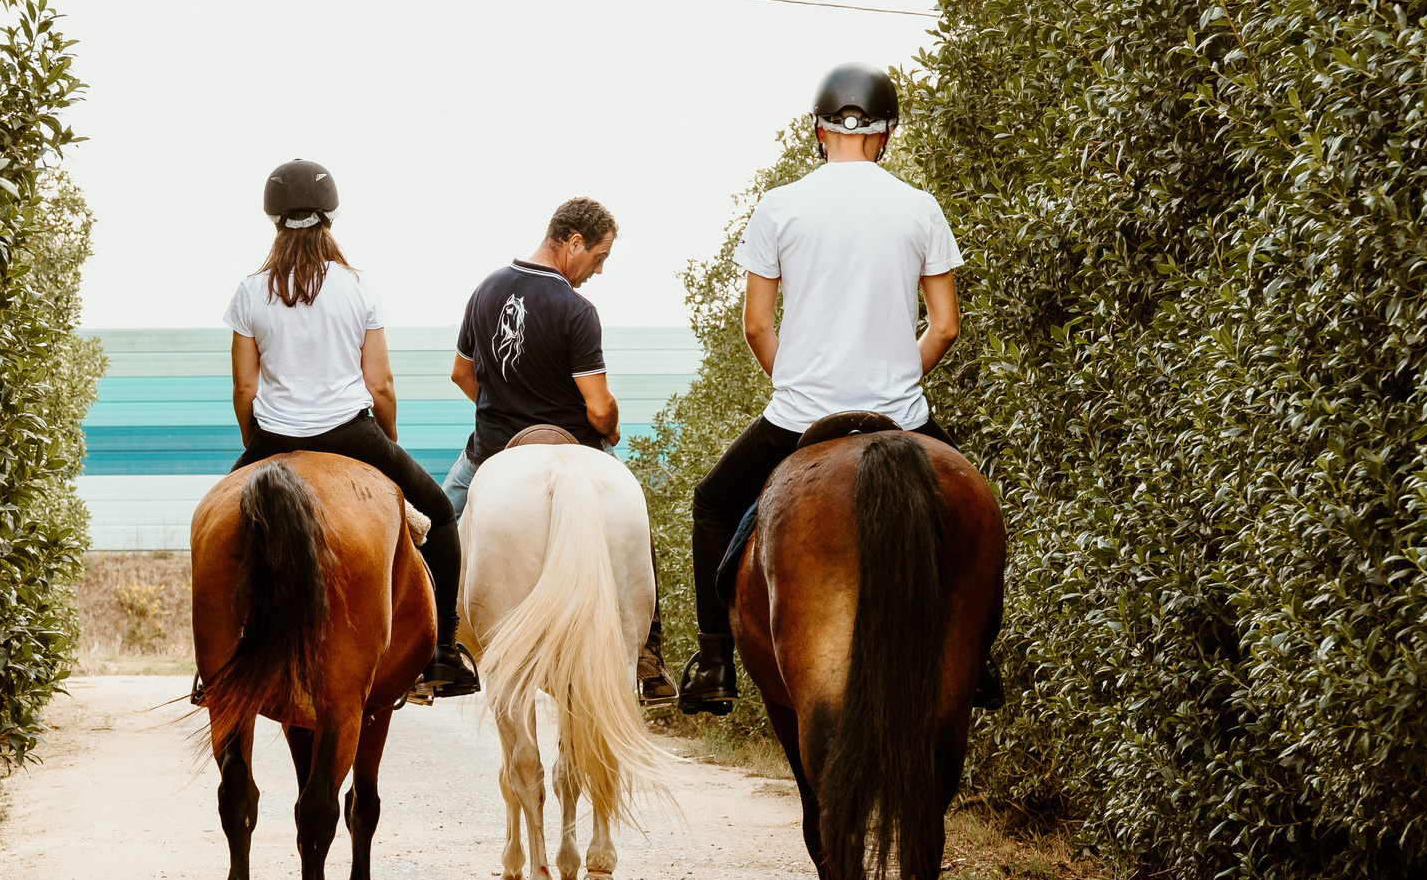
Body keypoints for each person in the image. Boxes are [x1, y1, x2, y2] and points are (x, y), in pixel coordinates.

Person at [678, 64, 1000, 715]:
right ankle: (980, 658)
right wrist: (894, 376)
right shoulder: (920, 207)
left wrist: (800, 379)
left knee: (713, 503)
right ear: (886, 135)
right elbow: (945, 327)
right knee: (979, 510)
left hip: (799, 416)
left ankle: (714, 663)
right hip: (900, 413)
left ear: (820, 131)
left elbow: (756, 324)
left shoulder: (780, 206)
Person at [224, 158, 478, 696]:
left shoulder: (249, 292)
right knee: (439, 514)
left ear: (274, 222)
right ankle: (441, 654)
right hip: (350, 433)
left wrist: (259, 445)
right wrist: (387, 443)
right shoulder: (359, 287)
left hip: (274, 438)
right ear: (329, 219)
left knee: (216, 529)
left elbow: (245, 390)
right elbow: (381, 384)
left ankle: (218, 662)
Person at [443, 199, 675, 705]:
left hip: (491, 451)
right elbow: (596, 408)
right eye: (599, 256)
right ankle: (649, 658)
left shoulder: (484, 291)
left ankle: (435, 650)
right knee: (637, 523)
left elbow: (463, 374)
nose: (598, 270)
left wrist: (502, 405)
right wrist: (612, 426)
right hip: (576, 445)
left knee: (436, 526)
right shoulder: (576, 310)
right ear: (573, 243)